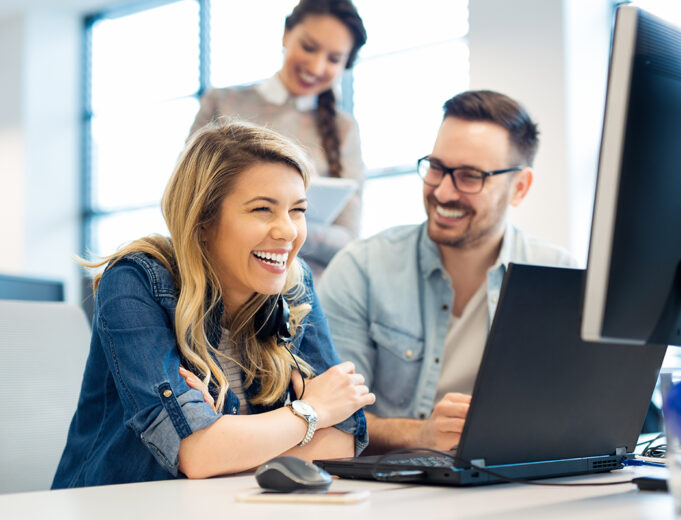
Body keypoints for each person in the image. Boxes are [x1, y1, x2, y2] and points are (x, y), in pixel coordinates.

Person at [52, 121, 374, 488]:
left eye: (297, 210)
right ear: (203, 219)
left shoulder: (293, 285)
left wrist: (226, 437)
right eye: (262, 210)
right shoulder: (135, 281)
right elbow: (198, 454)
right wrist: (311, 410)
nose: (287, 231)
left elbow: (343, 440)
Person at [317, 90, 577, 453]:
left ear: (519, 187)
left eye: (470, 176)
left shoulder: (561, 278)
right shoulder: (361, 269)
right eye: (436, 168)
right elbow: (332, 417)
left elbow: (582, 415)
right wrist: (420, 434)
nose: (442, 191)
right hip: (394, 493)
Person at [189, 0, 367, 275]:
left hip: (305, 294)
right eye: (308, 47)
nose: (317, 66)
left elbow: (348, 238)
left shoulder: (344, 130)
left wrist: (276, 227)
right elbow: (188, 201)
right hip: (220, 281)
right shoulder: (221, 103)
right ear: (286, 33)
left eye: (333, 59)